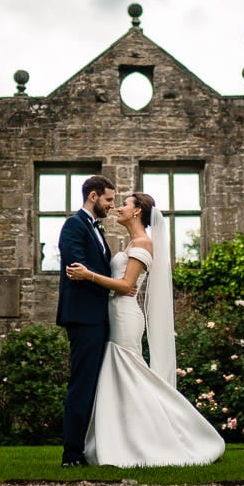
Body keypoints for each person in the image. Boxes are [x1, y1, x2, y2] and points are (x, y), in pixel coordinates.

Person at [66, 192, 225, 467]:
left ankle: (166, 433)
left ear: (138, 211)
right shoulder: (131, 243)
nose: (119, 207)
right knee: (119, 375)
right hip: (116, 314)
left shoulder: (142, 244)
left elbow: (127, 286)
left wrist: (88, 275)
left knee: (129, 372)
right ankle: (121, 438)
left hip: (126, 317)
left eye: (125, 204)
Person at [55, 174, 117, 468]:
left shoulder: (96, 229)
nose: (111, 206)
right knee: (81, 384)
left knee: (95, 384)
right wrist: (111, 284)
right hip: (82, 317)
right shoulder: (74, 225)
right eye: (108, 199)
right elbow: (75, 268)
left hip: (98, 317)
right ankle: (72, 454)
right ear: (93, 196)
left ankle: (93, 447)